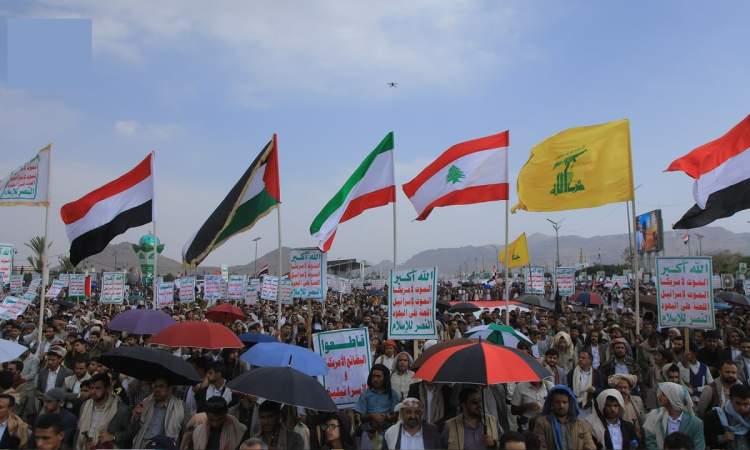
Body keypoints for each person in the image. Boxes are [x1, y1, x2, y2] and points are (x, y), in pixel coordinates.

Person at [74, 372, 132, 450]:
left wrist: (114, 437)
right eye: (91, 388)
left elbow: (130, 433)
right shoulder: (85, 405)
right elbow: (78, 431)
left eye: (98, 388)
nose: (93, 391)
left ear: (107, 388)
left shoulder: (121, 410)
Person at [532, 384, 596, 450]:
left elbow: (590, 446)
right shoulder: (542, 423)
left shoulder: (581, 425)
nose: (561, 406)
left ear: (569, 403)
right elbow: (540, 447)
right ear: (552, 404)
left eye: (564, 402)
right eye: (557, 402)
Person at [643, 382, 704, 450]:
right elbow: (650, 442)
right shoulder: (654, 416)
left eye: (663, 394)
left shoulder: (695, 423)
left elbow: (699, 447)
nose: (659, 396)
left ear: (673, 397)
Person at [130, 377, 186, 449]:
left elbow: (186, 433)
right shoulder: (145, 403)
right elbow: (133, 431)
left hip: (162, 446)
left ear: (169, 389)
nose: (157, 389)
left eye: (161, 386)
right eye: (155, 386)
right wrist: (136, 417)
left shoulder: (180, 407)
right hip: (142, 445)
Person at [354, 364, 399, 448]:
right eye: (373, 376)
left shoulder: (393, 394)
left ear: (385, 378)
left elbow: (396, 415)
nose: (375, 379)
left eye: (378, 376)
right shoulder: (365, 394)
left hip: (389, 434)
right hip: (369, 434)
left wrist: (387, 417)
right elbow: (361, 416)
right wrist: (372, 416)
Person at [704, 383, 750, 449]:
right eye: (738, 403)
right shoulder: (716, 415)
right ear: (730, 399)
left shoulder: (748, 418)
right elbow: (703, 439)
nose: (741, 408)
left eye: (746, 404)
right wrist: (721, 438)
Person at [567, 349, 603, 417]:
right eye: (579, 357)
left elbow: (601, 389)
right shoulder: (572, 373)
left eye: (583, 358)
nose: (580, 359)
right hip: (575, 405)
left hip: (590, 406)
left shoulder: (597, 373)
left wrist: (594, 389)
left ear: (590, 360)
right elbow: (568, 388)